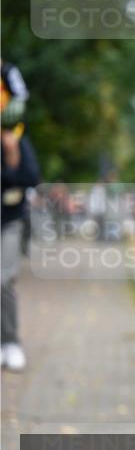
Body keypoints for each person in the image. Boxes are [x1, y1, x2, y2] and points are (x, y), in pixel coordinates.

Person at [1, 102, 40, 372]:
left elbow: (30, 178)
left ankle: (10, 341)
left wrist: (11, 151)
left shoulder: (16, 138)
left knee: (3, 281)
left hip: (8, 222)